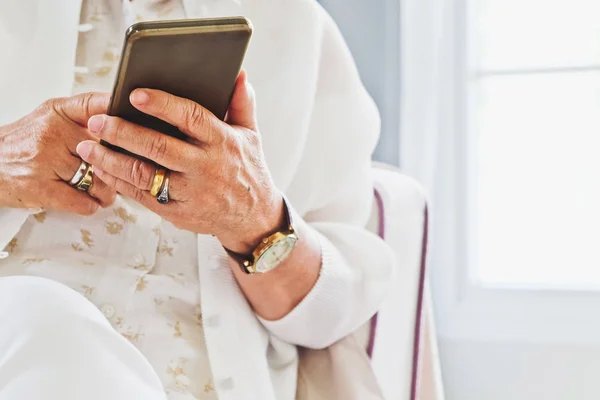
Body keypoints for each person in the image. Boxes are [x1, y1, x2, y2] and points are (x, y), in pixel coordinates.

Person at [0, 0, 396, 399]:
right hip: (20, 348)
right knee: (45, 318)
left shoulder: (294, 27)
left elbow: (330, 314)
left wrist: (253, 218)